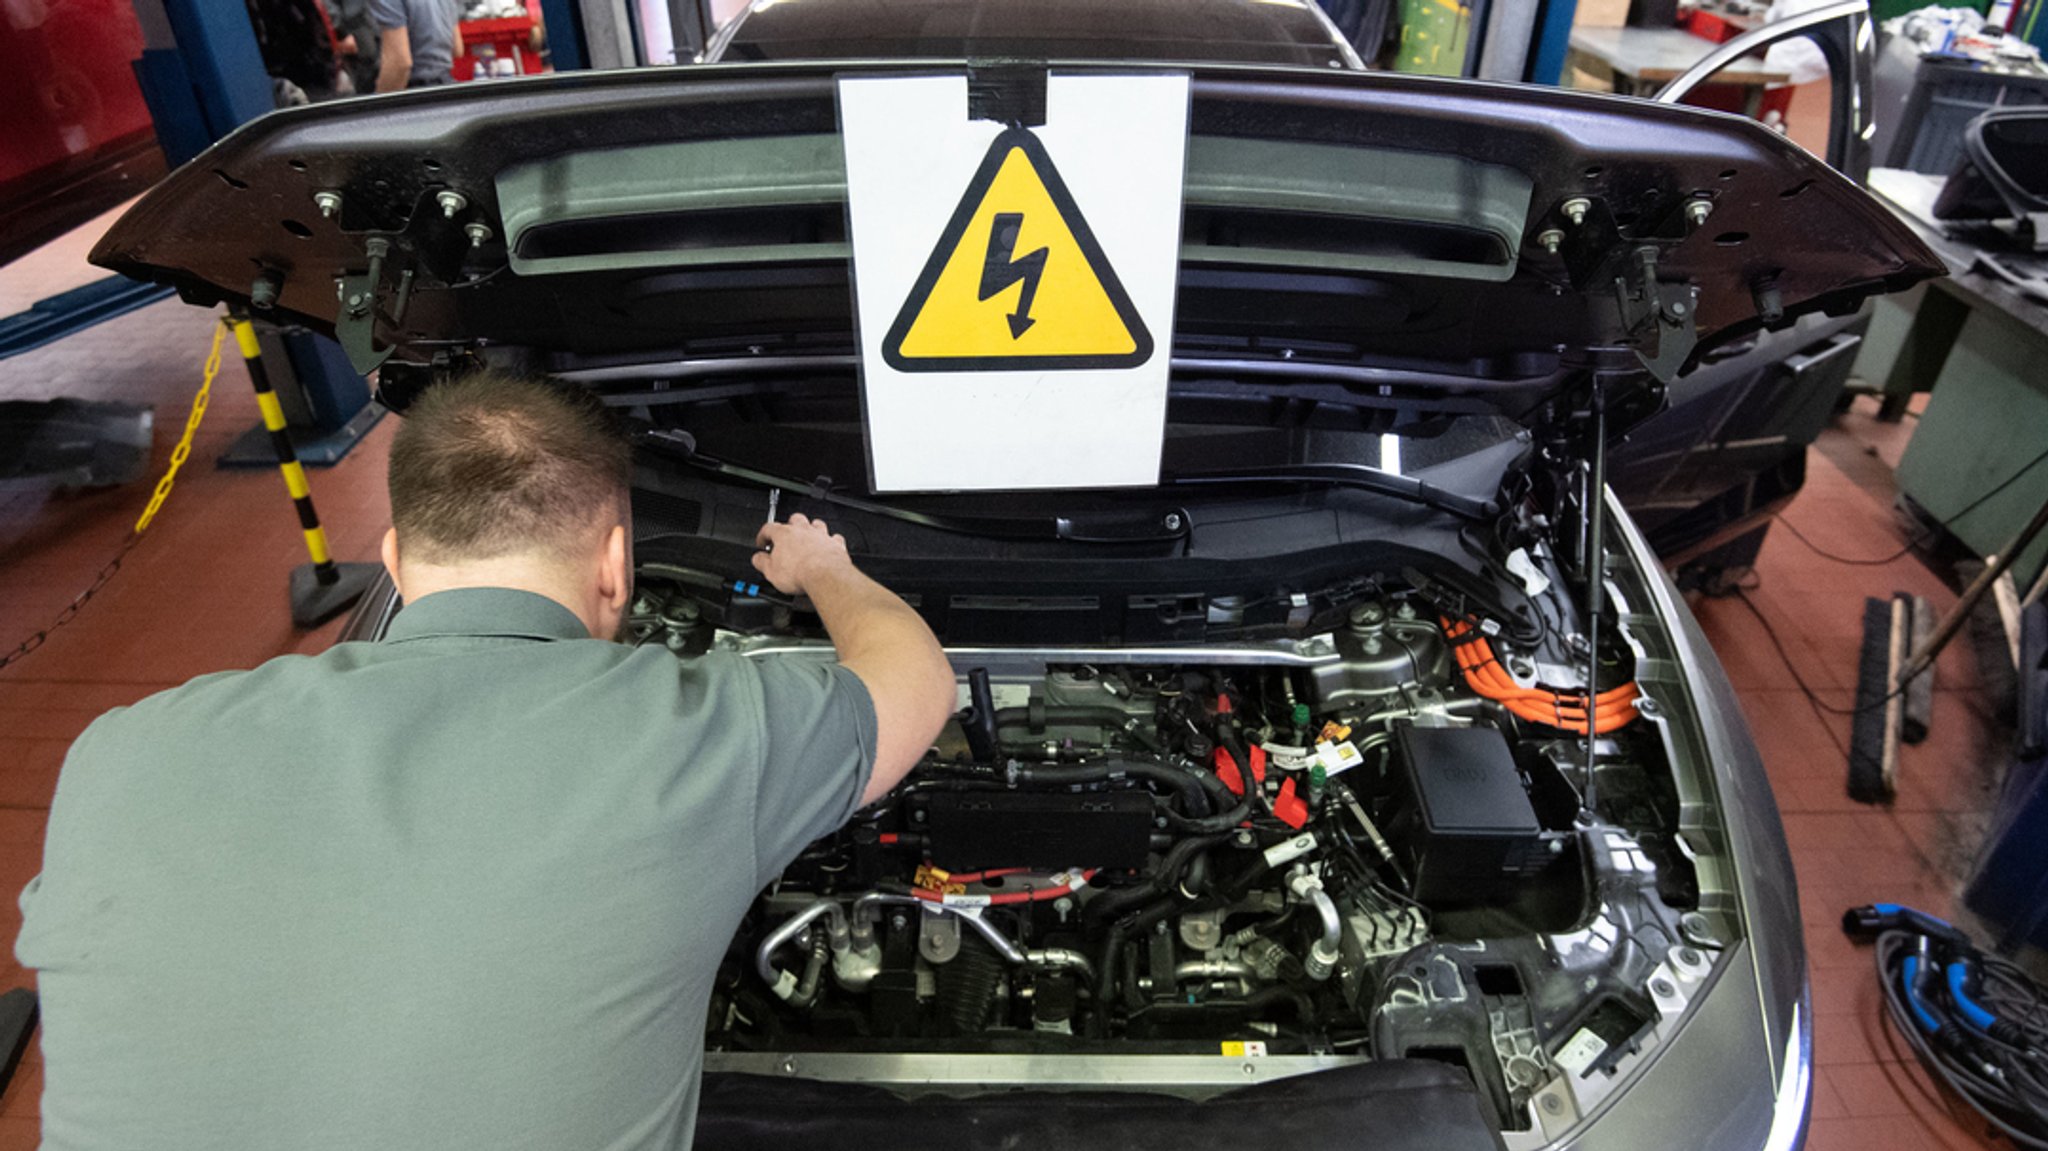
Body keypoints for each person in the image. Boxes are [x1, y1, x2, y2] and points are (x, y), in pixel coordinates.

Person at [16, 373, 956, 1150]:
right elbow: (919, 684)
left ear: (392, 554)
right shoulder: (701, 737)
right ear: (615, 564)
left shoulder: (119, 752)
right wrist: (824, 566)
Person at [370, 0, 463, 90]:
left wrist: (374, 103)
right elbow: (457, 49)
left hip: (413, 92)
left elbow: (399, 64)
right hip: (446, 86)